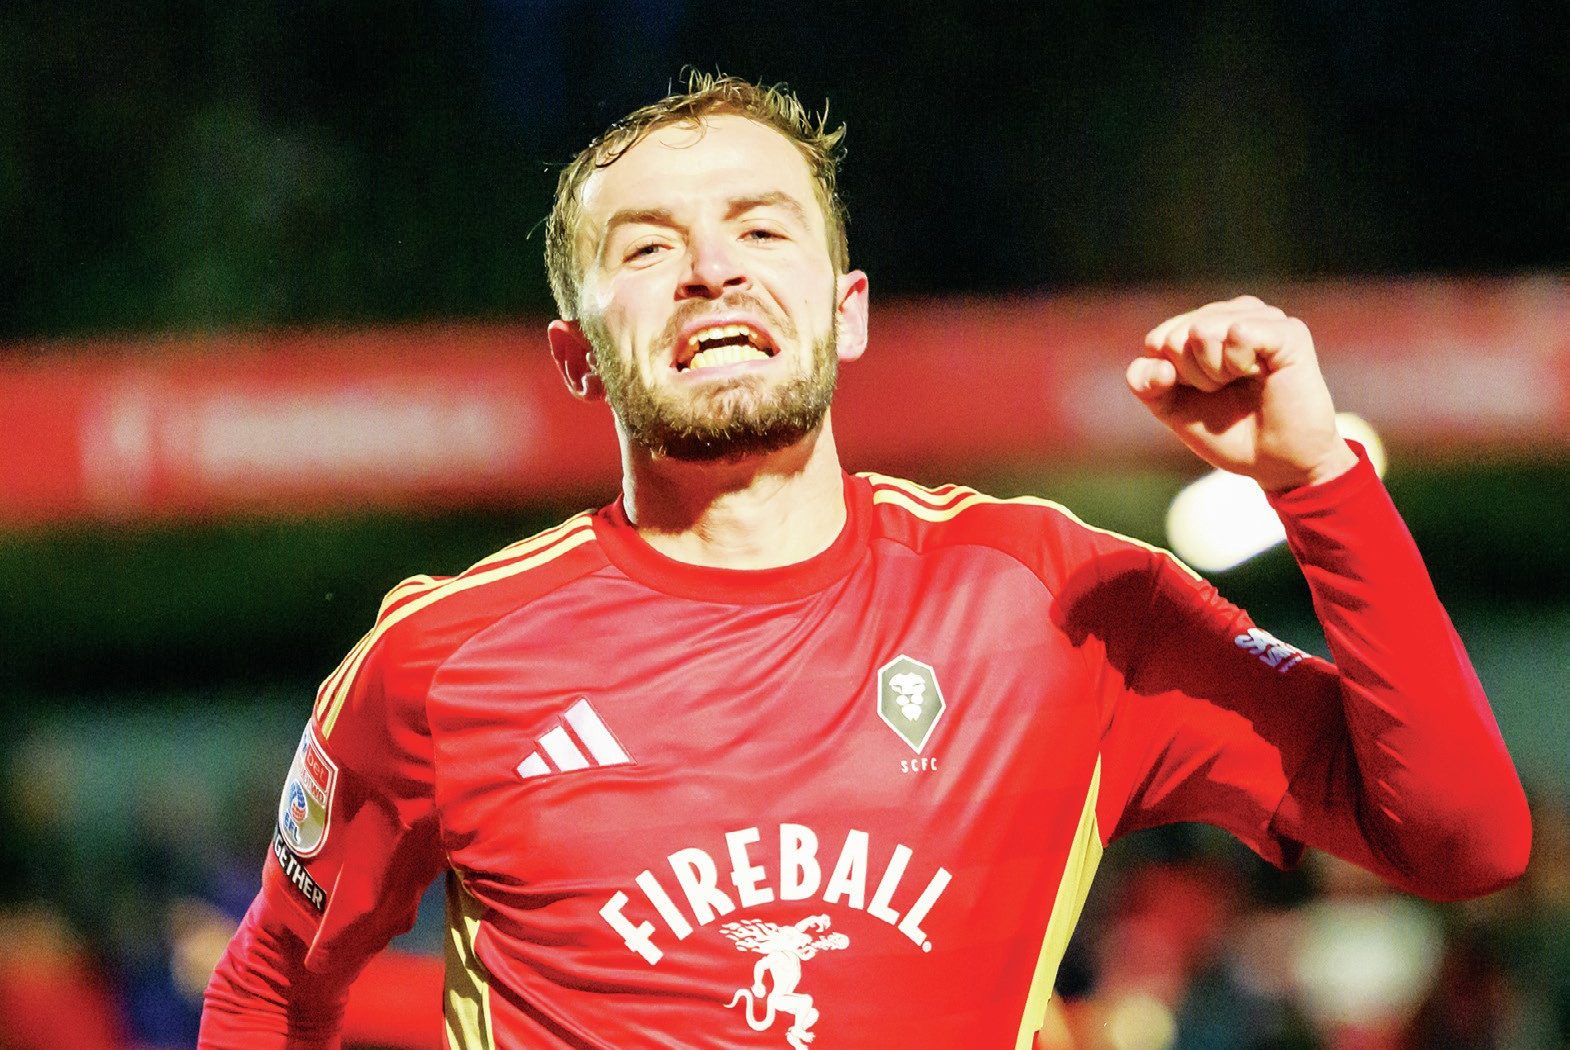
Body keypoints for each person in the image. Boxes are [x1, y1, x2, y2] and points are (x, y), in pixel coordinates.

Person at [200, 72, 1531, 1049]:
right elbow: (271, 983)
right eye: (648, 248)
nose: (711, 269)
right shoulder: (439, 659)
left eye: (762, 228)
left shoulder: (1051, 602)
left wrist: (1317, 487)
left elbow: (1462, 837)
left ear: (847, 315)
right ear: (574, 354)